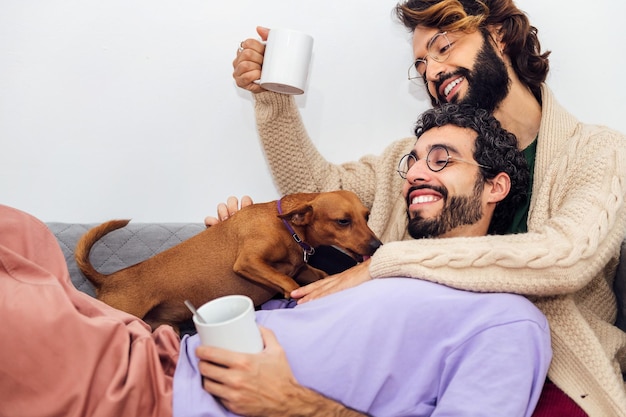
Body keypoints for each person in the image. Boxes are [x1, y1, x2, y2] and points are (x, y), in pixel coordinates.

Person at [0, 104, 550, 417]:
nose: (415, 172)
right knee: (18, 234)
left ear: (496, 186)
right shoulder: (371, 267)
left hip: (159, 397)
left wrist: (295, 404)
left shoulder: (506, 320)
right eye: (413, 160)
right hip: (156, 347)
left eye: (443, 159)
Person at [227, 0, 626, 416]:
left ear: (499, 35)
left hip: (556, 369)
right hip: (421, 361)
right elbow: (319, 199)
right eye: (420, 66)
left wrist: (387, 261)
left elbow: (566, 258)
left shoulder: (597, 151)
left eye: (443, 47)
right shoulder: (415, 164)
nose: (431, 72)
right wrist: (272, 97)